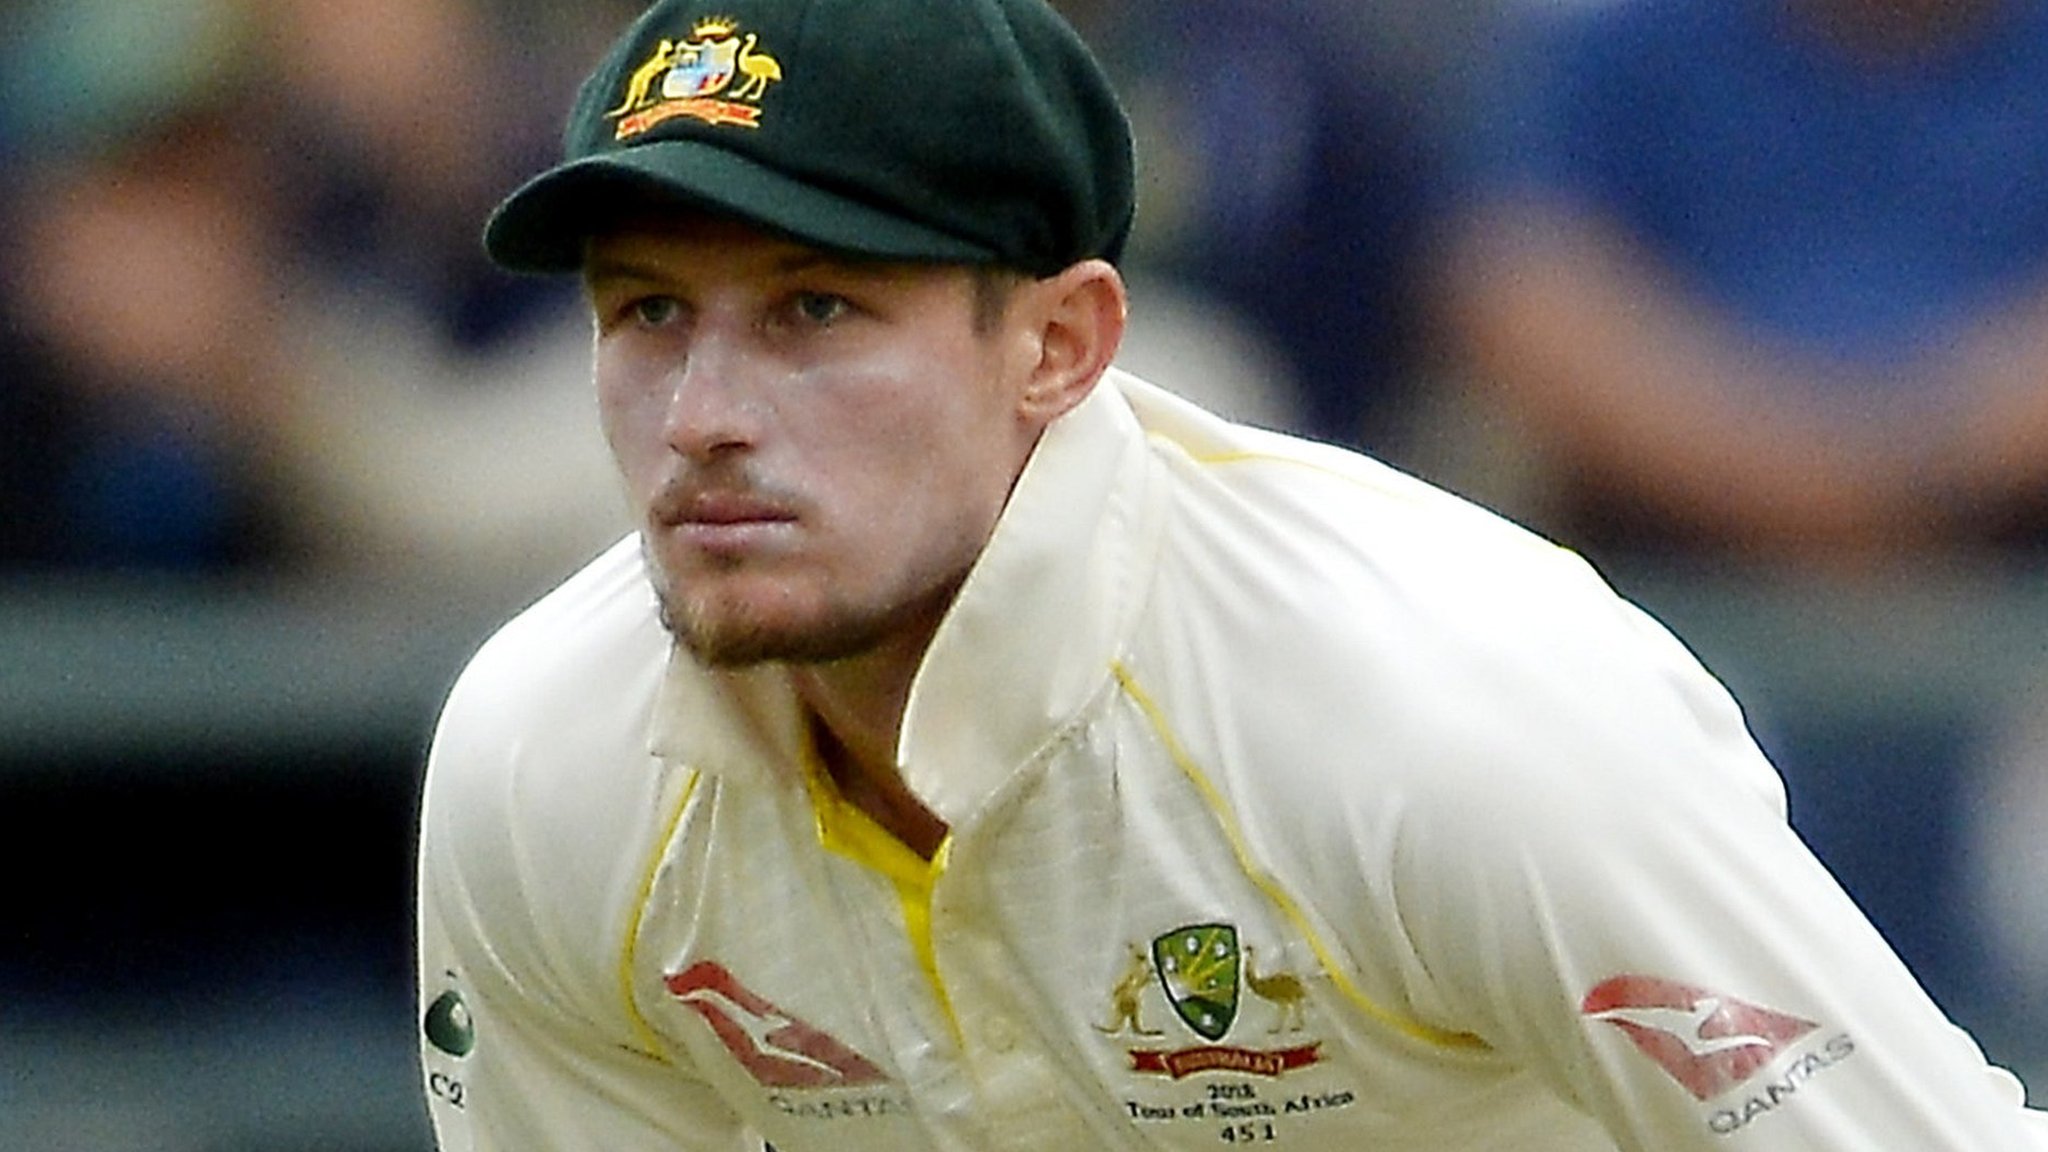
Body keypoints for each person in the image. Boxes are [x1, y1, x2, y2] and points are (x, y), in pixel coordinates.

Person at [414, 0, 2048, 1148]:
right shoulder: (539, 759)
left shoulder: (1449, 714)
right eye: (646, 312)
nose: (700, 416)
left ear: (1061, 344)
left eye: (815, 309)